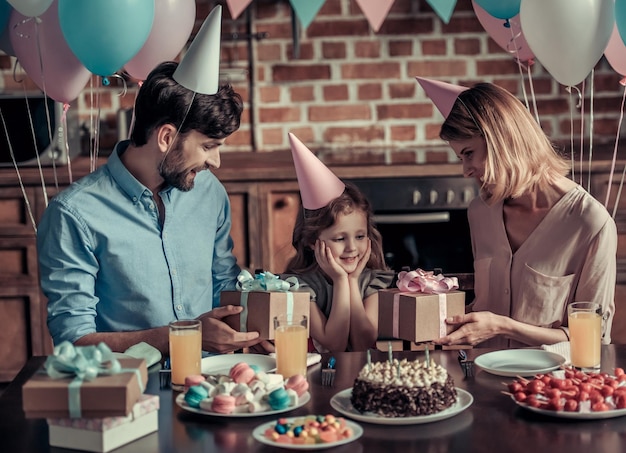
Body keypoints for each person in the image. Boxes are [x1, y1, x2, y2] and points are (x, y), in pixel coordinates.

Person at [37, 7, 265, 355]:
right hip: (130, 395)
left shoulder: (209, 194)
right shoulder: (74, 215)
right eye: (208, 146)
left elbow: (225, 286)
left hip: (213, 383)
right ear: (166, 137)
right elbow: (74, 340)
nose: (215, 162)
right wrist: (183, 335)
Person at [416, 77, 617, 349]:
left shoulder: (591, 223)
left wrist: (502, 326)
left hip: (547, 386)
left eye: (469, 153)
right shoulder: (480, 212)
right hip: (481, 377)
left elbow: (592, 341)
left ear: (503, 141)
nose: (465, 170)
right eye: (460, 158)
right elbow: (484, 306)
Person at [281, 133, 395, 352]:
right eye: (340, 238)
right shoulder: (299, 287)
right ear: (313, 241)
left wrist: (353, 282)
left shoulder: (373, 281)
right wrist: (341, 281)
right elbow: (333, 344)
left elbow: (363, 343)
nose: (352, 247)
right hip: (317, 378)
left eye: (360, 236)